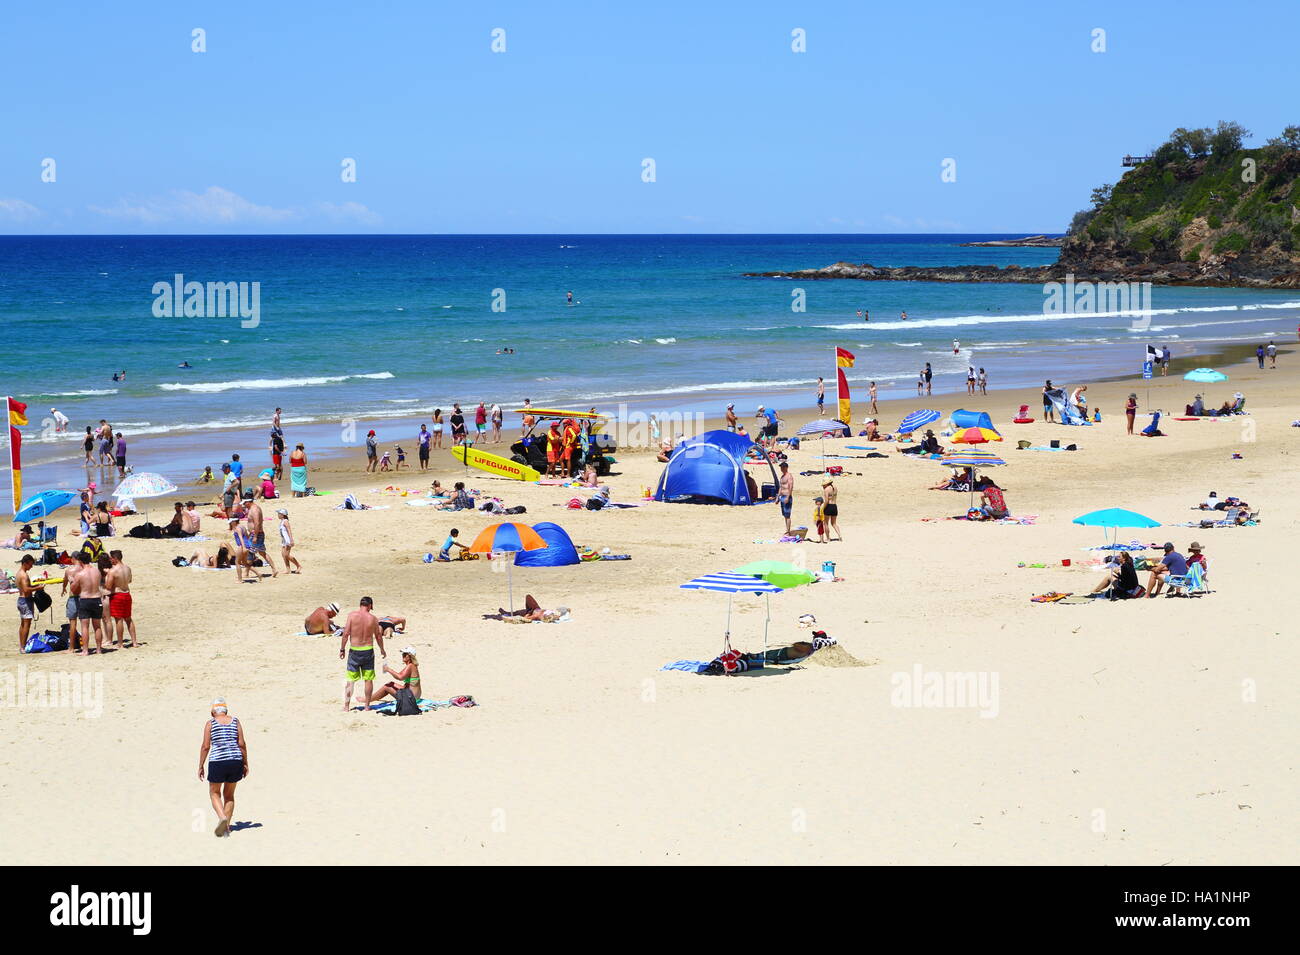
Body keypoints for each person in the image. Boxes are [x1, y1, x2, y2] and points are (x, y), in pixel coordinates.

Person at [198, 698, 248, 838]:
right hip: (235, 760)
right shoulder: (236, 721)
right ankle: (226, 828)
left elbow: (206, 746)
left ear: (213, 711)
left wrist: (201, 765)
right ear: (226, 711)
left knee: (214, 793)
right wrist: (245, 763)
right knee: (229, 795)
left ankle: (222, 818)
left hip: (218, 762)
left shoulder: (210, 723)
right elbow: (242, 744)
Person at [341, 596, 386, 712]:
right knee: (368, 679)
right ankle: (367, 706)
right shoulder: (373, 618)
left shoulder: (351, 616)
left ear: (360, 605)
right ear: (370, 605)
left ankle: (346, 707)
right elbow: (378, 636)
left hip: (354, 650)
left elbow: (346, 633)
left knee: (350, 680)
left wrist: (342, 649)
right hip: (368, 650)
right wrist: (382, 649)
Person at [74, 551, 106, 653]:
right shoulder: (97, 571)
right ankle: (99, 649)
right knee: (97, 626)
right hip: (97, 599)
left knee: (85, 627)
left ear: (80, 561)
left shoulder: (80, 574)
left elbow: (74, 589)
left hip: (85, 599)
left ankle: (85, 650)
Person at [244, 492, 279, 578]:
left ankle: (246, 573)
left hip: (256, 534)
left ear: (248, 502)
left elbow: (257, 523)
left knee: (250, 553)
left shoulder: (254, 509)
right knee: (262, 553)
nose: (244, 505)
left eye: (245, 503)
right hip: (256, 534)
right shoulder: (252, 508)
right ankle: (274, 569)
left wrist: (255, 536)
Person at [106, 549, 136, 649]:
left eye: (111, 558)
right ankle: (134, 642)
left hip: (117, 595)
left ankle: (120, 643)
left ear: (115, 558)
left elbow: (109, 586)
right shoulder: (128, 568)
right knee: (128, 619)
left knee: (119, 620)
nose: (110, 560)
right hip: (127, 594)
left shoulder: (113, 571)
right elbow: (130, 580)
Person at [277, 508, 301, 573]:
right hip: (283, 540)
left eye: (279, 514)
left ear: (283, 515)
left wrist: (291, 539)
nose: (278, 515)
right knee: (283, 554)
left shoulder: (285, 521)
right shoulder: (282, 521)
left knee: (287, 555)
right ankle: (288, 569)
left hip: (287, 540)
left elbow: (289, 530)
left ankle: (298, 566)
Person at [777, 461, 794, 535]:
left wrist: (788, 496)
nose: (781, 468)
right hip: (782, 497)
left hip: (787, 496)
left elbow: (790, 487)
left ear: (786, 468)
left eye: (783, 467)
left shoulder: (789, 476)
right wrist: (778, 497)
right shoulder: (782, 477)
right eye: (781, 467)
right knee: (784, 515)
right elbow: (781, 487)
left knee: (787, 515)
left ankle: (788, 531)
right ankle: (787, 530)